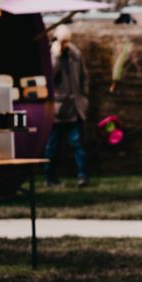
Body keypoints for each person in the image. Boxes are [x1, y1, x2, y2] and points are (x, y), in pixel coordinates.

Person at [44, 23, 89, 188]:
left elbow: (84, 76)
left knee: (77, 143)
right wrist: (56, 55)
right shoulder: (51, 54)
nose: (65, 44)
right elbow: (50, 76)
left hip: (75, 107)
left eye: (67, 41)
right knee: (52, 145)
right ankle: (49, 177)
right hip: (57, 109)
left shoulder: (75, 54)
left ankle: (83, 176)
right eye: (63, 41)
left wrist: (84, 98)